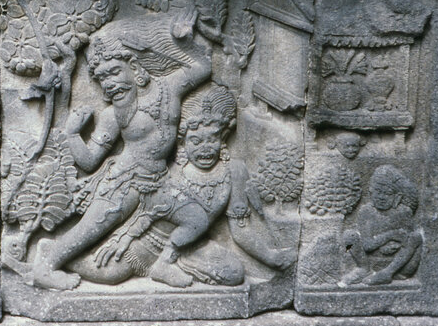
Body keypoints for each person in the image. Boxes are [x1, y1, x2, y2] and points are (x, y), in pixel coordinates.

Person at [33, 3, 212, 291]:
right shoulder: (113, 115)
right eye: (102, 79)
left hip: (160, 183)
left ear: (135, 67)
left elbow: (203, 67)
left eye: (114, 72)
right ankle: (47, 264)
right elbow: (90, 161)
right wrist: (72, 134)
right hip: (124, 184)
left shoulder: (170, 87)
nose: (109, 83)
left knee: (196, 218)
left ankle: (163, 264)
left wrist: (185, 41)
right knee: (90, 231)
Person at [91, 83, 297, 287]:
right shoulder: (172, 173)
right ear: (183, 142)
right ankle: (159, 266)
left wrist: (271, 258)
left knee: (234, 273)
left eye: (212, 139)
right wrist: (124, 238)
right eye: (196, 141)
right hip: (149, 243)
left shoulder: (234, 171)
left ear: (223, 137)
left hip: (192, 248)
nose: (205, 149)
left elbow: (240, 230)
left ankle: (173, 265)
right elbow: (146, 213)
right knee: (110, 274)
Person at [342, 164, 423, 285]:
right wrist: (390, 236)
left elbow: (406, 240)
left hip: (399, 266)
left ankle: (387, 273)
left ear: (397, 197)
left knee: (417, 237)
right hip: (371, 260)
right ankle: (363, 269)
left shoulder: (404, 212)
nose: (381, 197)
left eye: (387, 193)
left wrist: (394, 244)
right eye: (378, 192)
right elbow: (367, 245)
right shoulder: (366, 211)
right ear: (371, 193)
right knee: (349, 236)